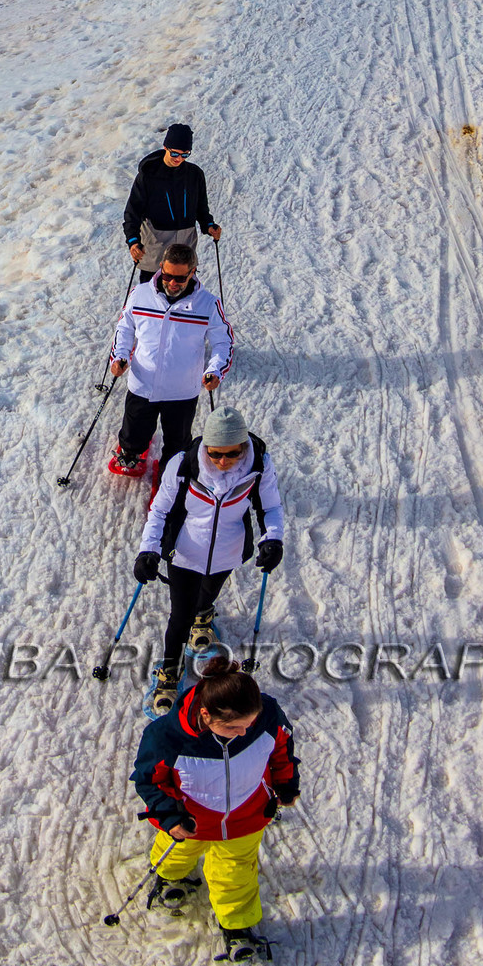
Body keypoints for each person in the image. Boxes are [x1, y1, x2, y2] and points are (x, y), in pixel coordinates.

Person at [131, 648, 299, 965]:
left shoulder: (266, 715)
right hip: (190, 820)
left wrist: (286, 783)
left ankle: (237, 927)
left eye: (249, 724)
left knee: (236, 874)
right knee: (177, 852)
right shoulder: (166, 737)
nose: (244, 732)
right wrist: (170, 816)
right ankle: (170, 877)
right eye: (233, 728)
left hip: (247, 817)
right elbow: (149, 780)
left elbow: (281, 749)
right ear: (207, 716)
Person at [133, 403, 282, 710]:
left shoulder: (259, 465)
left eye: (232, 453)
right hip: (185, 553)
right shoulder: (183, 464)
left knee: (208, 595)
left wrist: (273, 539)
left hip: (228, 551)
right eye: (215, 454)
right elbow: (159, 510)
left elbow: (269, 508)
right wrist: (148, 550)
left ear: (243, 446)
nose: (223, 461)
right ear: (207, 447)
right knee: (180, 616)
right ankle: (170, 671)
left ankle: (204, 617)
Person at [108, 246, 232, 479]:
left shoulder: (208, 304)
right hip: (143, 381)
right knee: (134, 428)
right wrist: (120, 355)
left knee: (178, 439)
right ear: (160, 268)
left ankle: (171, 472)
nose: (173, 283)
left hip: (181, 389)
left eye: (180, 278)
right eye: (167, 275)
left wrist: (215, 370)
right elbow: (125, 327)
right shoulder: (140, 294)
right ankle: (131, 451)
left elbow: (223, 342)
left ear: (193, 272)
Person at [123, 124, 220, 280]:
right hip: (155, 245)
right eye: (175, 153)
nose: (179, 158)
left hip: (185, 244)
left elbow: (201, 207)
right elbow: (132, 211)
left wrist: (208, 225)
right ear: (165, 147)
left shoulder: (195, 174)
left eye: (185, 154)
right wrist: (133, 241)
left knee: (184, 287)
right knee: (152, 290)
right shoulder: (148, 175)